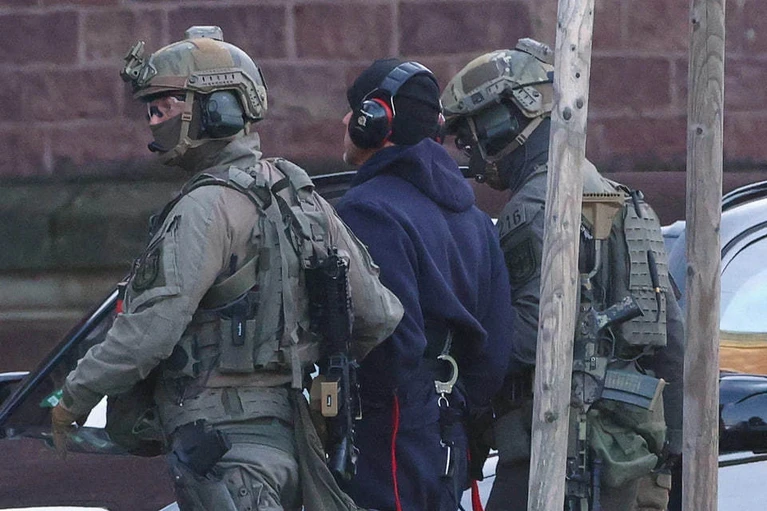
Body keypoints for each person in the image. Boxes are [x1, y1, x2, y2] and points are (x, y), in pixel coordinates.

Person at [50, 26, 404, 511]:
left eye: (166, 105)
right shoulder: (302, 198)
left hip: (223, 454)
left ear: (217, 109)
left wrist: (73, 396)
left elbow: (148, 333)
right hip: (294, 445)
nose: (154, 119)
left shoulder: (204, 208)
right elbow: (379, 314)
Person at [441, 39, 685, 511]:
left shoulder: (536, 206)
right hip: (630, 457)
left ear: (506, 121)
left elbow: (531, 335)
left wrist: (457, 355)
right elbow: (670, 338)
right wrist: (670, 450)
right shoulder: (622, 200)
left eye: (471, 135)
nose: (470, 151)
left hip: (554, 454)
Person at [334, 58, 514, 511]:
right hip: (450, 429)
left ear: (375, 120)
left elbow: (387, 343)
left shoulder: (366, 210)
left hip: (388, 434)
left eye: (354, 109)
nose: (344, 120)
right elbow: (494, 354)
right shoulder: (476, 220)